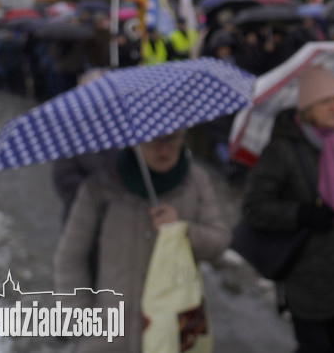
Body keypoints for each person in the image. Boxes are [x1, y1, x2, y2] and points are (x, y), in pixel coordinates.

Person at [54, 131, 230, 352]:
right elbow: (70, 257)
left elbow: (220, 240)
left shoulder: (197, 182)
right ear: (134, 141)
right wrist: (81, 317)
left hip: (173, 330)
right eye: (153, 141)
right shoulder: (100, 187)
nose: (164, 149)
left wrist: (182, 231)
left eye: (173, 139)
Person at [241, 66, 334, 353]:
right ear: (307, 107)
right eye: (326, 101)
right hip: (305, 275)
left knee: (333, 345)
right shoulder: (282, 149)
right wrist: (302, 214)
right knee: (315, 346)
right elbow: (254, 207)